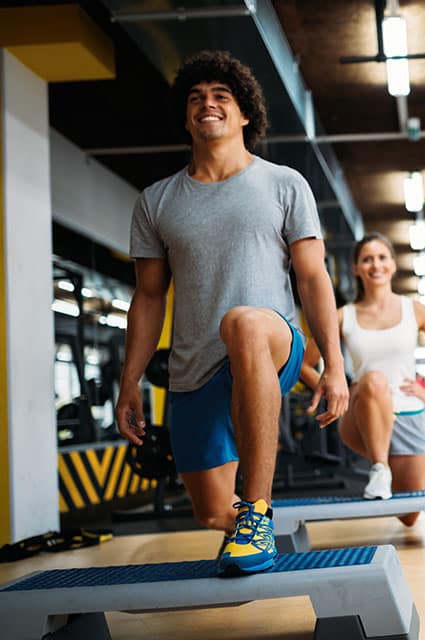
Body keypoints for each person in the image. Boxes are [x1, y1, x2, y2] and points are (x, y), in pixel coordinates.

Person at [116, 51, 349, 576]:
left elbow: (313, 277)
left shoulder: (284, 183)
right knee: (210, 511)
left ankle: (260, 512)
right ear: (186, 116)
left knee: (242, 322)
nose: (208, 104)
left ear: (245, 114)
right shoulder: (156, 201)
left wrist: (334, 365)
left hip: (272, 342)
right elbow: (149, 297)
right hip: (193, 366)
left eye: (222, 96)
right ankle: (245, 519)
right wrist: (130, 381)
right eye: (196, 97)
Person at [332, 232, 425, 523]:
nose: (375, 265)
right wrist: (340, 389)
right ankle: (380, 467)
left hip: (408, 414)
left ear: (393, 265)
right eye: (366, 259)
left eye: (382, 257)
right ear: (356, 268)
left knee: (409, 517)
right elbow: (307, 363)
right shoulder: (344, 316)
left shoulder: (414, 310)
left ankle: (384, 469)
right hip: (362, 411)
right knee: (373, 380)